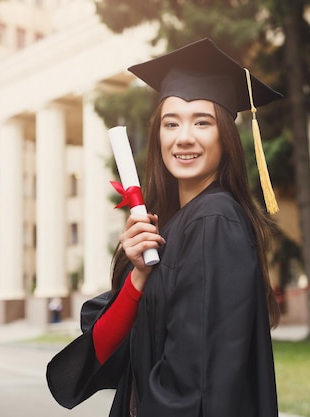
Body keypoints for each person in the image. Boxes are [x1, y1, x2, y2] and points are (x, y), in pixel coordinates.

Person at [47, 38, 281, 417]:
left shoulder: (214, 221)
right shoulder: (172, 227)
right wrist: (138, 277)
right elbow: (111, 350)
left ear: (225, 135)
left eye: (202, 122)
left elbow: (196, 380)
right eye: (171, 123)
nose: (183, 137)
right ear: (157, 135)